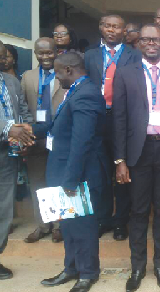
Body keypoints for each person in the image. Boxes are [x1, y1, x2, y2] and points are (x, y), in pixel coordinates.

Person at [113, 23, 160, 292]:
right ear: (139, 43)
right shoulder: (124, 74)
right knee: (138, 210)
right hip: (138, 151)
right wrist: (119, 160)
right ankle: (137, 267)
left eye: (156, 39)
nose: (151, 43)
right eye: (146, 39)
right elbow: (119, 118)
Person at [34, 52, 107, 292]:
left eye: (57, 73)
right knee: (68, 225)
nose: (56, 78)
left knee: (83, 227)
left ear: (68, 70)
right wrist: (32, 128)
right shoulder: (75, 90)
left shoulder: (86, 94)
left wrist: (71, 179)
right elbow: (59, 126)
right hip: (65, 171)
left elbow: (82, 141)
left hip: (78, 175)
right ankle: (71, 268)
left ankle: (88, 273)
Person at [85, 14, 141, 240]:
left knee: (123, 172)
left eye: (116, 27)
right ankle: (103, 218)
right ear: (100, 28)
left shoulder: (135, 55)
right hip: (97, 119)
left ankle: (121, 222)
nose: (111, 30)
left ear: (124, 30)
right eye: (107, 26)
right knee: (99, 172)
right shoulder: (89, 56)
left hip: (124, 119)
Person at [20, 38, 66, 244]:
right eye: (41, 53)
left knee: (57, 182)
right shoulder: (27, 77)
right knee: (38, 183)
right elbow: (22, 108)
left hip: (59, 135)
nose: (45, 57)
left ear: (56, 52)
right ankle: (42, 224)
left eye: (49, 53)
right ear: (36, 54)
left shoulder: (64, 74)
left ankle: (59, 225)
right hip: (35, 137)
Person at [0, 40, 34, 281]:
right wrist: (8, 128)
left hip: (7, 156)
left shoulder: (11, 81)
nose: (3, 60)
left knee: (4, 209)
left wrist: (25, 135)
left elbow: (22, 111)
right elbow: (9, 124)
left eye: (3, 55)